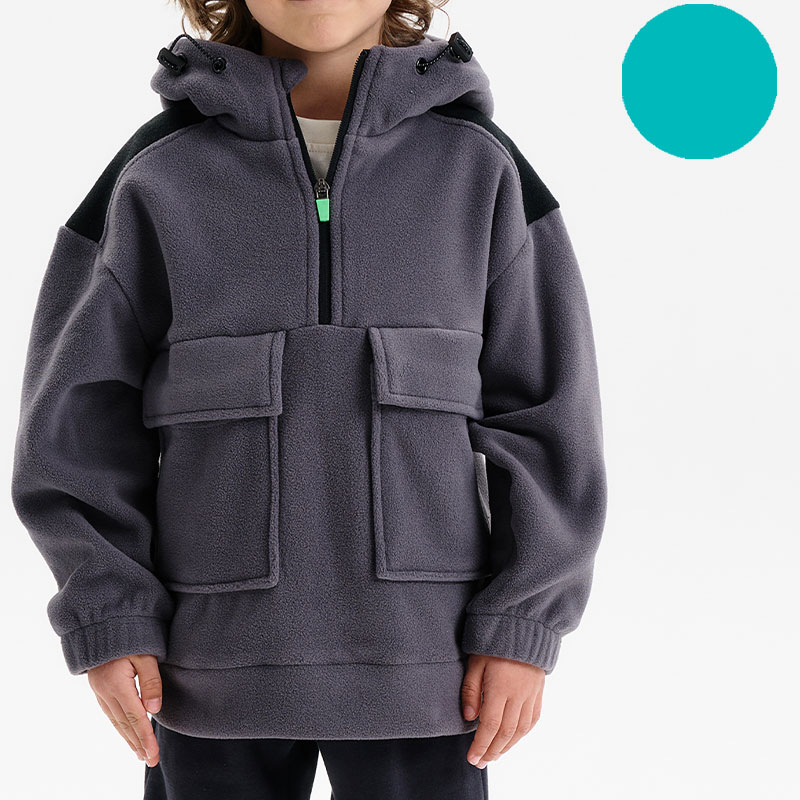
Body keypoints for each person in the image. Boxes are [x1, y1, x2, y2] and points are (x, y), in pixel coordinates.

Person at [10, 1, 608, 797]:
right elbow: (74, 421)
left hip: (428, 672)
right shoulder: (155, 176)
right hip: (204, 674)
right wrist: (108, 611)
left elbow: (550, 415)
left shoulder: (482, 170)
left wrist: (524, 620)